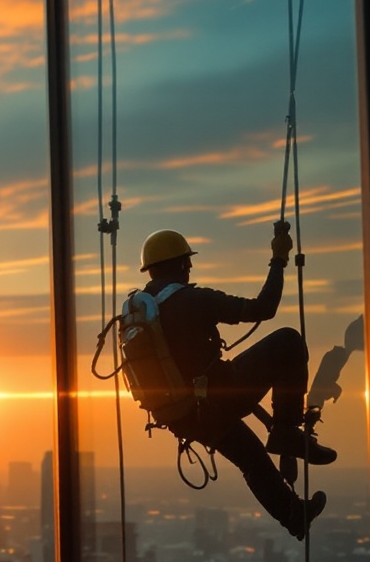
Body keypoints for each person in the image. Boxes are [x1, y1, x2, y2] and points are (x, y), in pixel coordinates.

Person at [121, 223, 335, 538]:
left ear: (150, 270)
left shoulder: (137, 313)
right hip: (216, 399)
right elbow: (264, 308)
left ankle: (294, 515)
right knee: (288, 341)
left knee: (251, 459)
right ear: (182, 263)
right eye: (187, 262)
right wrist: (278, 259)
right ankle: (288, 432)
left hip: (183, 416)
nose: (190, 268)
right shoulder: (193, 300)